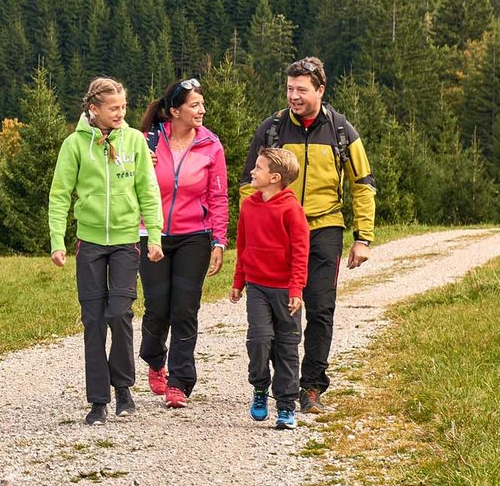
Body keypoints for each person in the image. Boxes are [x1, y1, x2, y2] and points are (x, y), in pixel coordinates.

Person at [239, 56, 377, 414]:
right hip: (275, 234)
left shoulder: (343, 131)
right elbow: (247, 182)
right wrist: (253, 225)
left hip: (323, 228)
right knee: (273, 311)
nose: (294, 96)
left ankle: (312, 386)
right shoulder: (271, 130)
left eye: (301, 89)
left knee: (320, 307)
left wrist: (363, 237)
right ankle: (275, 378)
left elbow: (363, 184)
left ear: (320, 90)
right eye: (289, 89)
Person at [49, 77, 163, 426]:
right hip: (91, 243)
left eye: (123, 108)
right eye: (113, 108)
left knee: (119, 314)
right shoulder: (74, 145)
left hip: (127, 241)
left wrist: (154, 235)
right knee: (94, 322)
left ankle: (124, 389)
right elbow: (59, 194)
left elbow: (148, 189)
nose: (120, 113)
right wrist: (58, 241)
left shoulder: (133, 141)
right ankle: (98, 401)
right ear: (93, 109)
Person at [138, 77, 229, 408]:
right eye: (195, 105)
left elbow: (218, 196)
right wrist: (138, 169)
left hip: (195, 236)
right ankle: (153, 357)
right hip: (151, 234)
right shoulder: (147, 142)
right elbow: (123, 182)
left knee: (185, 309)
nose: (202, 110)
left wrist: (219, 240)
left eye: (202, 104)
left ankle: (180, 382)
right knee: (158, 308)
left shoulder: (211, 145)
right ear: (174, 111)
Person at [231, 147, 309, 430]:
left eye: (259, 168)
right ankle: (261, 388)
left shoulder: (292, 209)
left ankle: (286, 405)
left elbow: (301, 252)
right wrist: (238, 282)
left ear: (275, 177)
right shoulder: (249, 206)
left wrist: (296, 289)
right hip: (258, 288)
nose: (253, 171)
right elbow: (243, 247)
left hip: (286, 290)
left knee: (287, 347)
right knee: (260, 340)